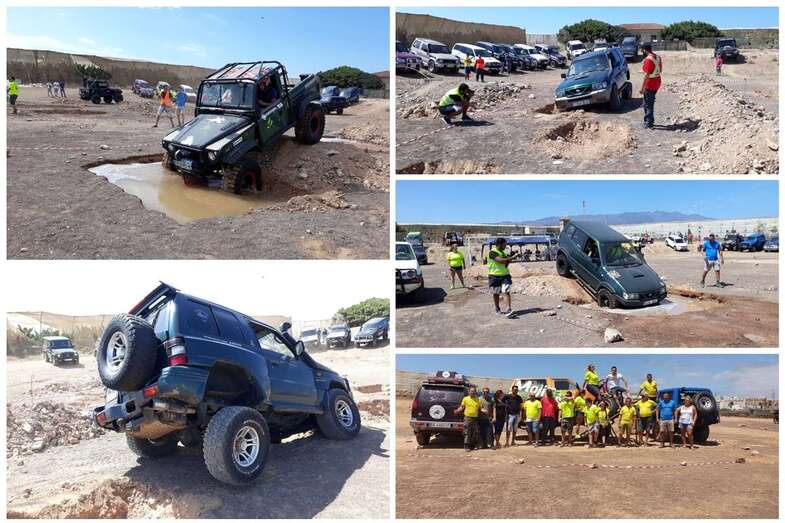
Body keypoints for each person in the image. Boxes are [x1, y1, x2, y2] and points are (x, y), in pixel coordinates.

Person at [487, 237, 518, 316]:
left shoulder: (503, 253)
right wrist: (511, 258)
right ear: (499, 245)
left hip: (505, 275)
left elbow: (506, 264)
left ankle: (508, 309)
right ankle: (497, 308)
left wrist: (510, 259)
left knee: (506, 291)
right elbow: (500, 261)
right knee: (496, 293)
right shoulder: (492, 252)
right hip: (494, 275)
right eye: (504, 245)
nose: (505, 246)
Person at [639, 42, 662, 129]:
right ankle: (648, 120)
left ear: (644, 50)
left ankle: (649, 123)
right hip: (657, 82)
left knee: (648, 104)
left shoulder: (648, 60)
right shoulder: (658, 57)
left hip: (650, 84)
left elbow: (647, 75)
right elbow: (660, 70)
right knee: (648, 102)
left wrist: (642, 88)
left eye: (642, 50)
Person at [454, 386, 481, 452]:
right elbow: (462, 407)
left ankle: (472, 446)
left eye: (474, 391)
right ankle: (466, 446)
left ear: (475, 392)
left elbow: (479, 408)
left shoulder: (478, 399)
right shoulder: (465, 399)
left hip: (475, 418)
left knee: (474, 432)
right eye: (471, 391)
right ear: (469, 392)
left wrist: (485, 411)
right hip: (468, 418)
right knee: (467, 432)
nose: (472, 392)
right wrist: (457, 410)